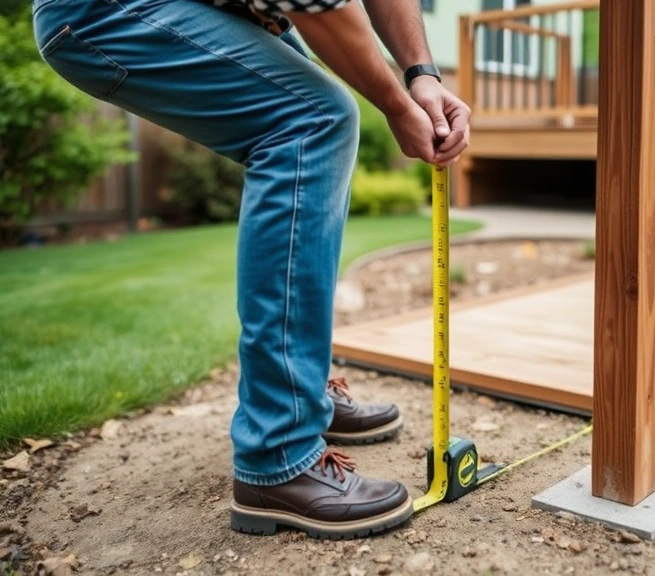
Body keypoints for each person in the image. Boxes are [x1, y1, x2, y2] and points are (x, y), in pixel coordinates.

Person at [31, 0, 470, 540]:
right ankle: (277, 453)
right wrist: (397, 106)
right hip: (104, 11)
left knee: (316, 119)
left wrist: (421, 76)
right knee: (312, 119)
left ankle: (300, 390)